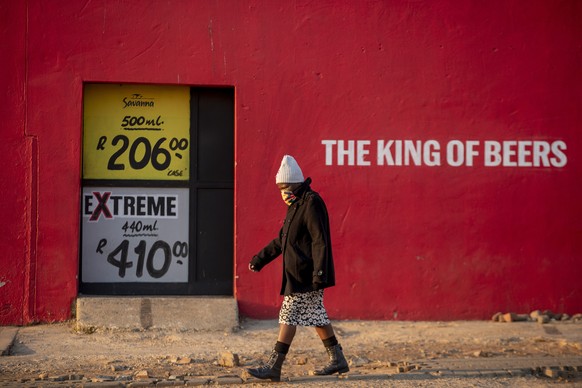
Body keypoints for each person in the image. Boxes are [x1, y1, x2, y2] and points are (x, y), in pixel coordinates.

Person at [246, 155, 349, 382]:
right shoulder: (294, 206)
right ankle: (338, 359)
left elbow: (319, 239)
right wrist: (259, 260)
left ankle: (274, 366)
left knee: (287, 315)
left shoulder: (311, 202)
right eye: (279, 188)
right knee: (316, 315)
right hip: (299, 274)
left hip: (307, 275)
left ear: (295, 184)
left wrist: (320, 273)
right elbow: (281, 240)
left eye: (284, 187)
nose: (282, 192)